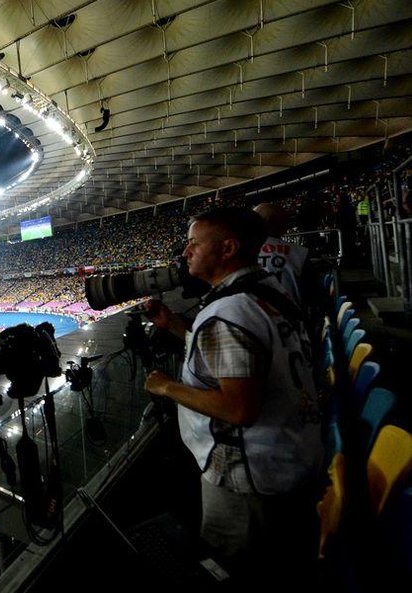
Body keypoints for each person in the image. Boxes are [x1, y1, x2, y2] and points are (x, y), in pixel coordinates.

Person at [143, 207, 322, 585]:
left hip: (246, 477)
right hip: (288, 457)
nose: (186, 252)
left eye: (194, 243)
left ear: (227, 248)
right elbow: (239, 359)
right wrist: (175, 325)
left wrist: (165, 387)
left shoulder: (227, 312)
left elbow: (239, 409)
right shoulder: (265, 293)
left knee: (238, 568)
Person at [253, 202, 310, 306]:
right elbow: (311, 295)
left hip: (246, 316)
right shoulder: (299, 252)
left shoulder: (236, 251)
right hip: (290, 317)